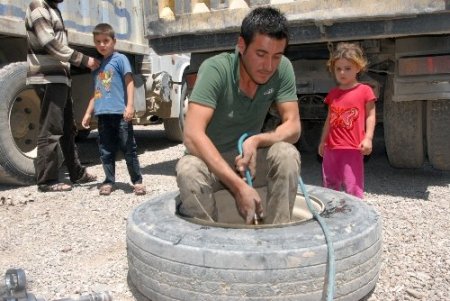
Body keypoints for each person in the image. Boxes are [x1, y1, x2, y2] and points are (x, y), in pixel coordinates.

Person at [176, 7, 301, 225]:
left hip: (247, 159)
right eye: (261, 54)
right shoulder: (216, 69)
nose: (268, 66)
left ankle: (278, 238)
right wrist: (238, 186)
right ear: (241, 45)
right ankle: (209, 247)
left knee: (286, 154)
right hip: (209, 161)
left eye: (277, 56)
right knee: (189, 171)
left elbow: (293, 127)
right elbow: (192, 135)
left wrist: (258, 140)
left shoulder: (283, 69)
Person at [26, 0, 99, 192]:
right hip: (48, 77)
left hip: (60, 77)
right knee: (51, 129)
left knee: (68, 128)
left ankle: (76, 172)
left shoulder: (53, 9)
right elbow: (49, 43)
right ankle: (47, 181)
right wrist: (84, 60)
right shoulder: (38, 7)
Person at [81, 23, 145, 196]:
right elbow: (97, 92)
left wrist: (130, 105)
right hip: (103, 116)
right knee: (106, 150)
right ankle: (109, 181)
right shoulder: (97, 67)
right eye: (98, 42)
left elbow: (129, 82)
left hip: (120, 114)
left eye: (105, 41)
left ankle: (137, 181)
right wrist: (88, 113)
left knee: (128, 148)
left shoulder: (120, 59)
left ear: (113, 41)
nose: (102, 45)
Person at [318, 42, 377, 199]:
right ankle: (333, 214)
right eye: (338, 69)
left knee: (353, 187)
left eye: (348, 68)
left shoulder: (365, 91)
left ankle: (356, 217)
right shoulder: (333, 93)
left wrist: (368, 138)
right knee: (329, 185)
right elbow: (329, 120)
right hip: (331, 149)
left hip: (352, 148)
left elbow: (371, 115)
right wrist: (323, 141)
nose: (342, 72)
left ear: (358, 68)